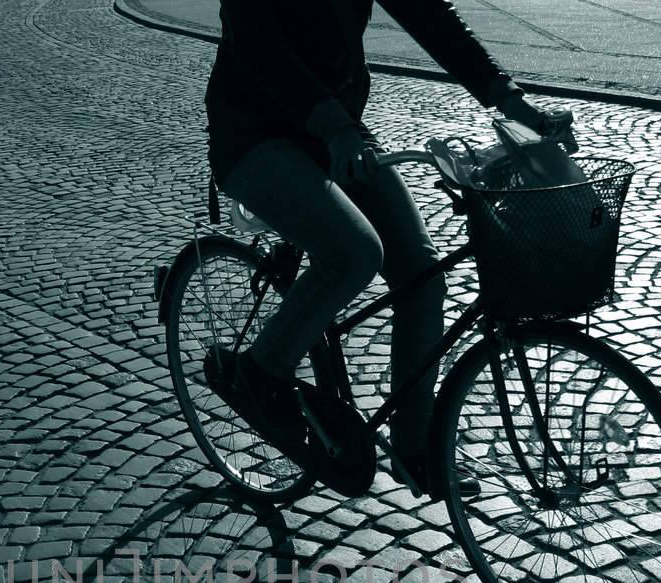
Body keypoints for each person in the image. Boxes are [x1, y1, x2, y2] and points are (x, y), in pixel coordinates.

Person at [202, 0, 567, 497]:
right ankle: (259, 369)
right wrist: (335, 126)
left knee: (421, 273)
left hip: (339, 130)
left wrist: (511, 101)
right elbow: (257, 39)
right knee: (353, 251)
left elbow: (431, 18)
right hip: (254, 132)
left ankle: (415, 450)